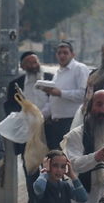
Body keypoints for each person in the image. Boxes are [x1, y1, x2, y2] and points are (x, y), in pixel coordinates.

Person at [5, 51, 51, 203]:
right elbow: (9, 107)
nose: (33, 65)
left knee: (50, 172)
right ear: (23, 66)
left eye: (35, 62)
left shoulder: (49, 78)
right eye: (29, 63)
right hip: (27, 136)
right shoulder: (15, 84)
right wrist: (22, 115)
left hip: (48, 134)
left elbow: (55, 103)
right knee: (31, 174)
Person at [34, 40, 89, 168]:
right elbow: (52, 101)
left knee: (69, 160)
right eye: (59, 53)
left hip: (71, 122)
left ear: (72, 54)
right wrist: (38, 116)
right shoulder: (58, 73)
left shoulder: (79, 69)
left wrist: (60, 93)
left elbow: (83, 95)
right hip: (55, 123)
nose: (62, 56)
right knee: (56, 161)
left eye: (65, 53)